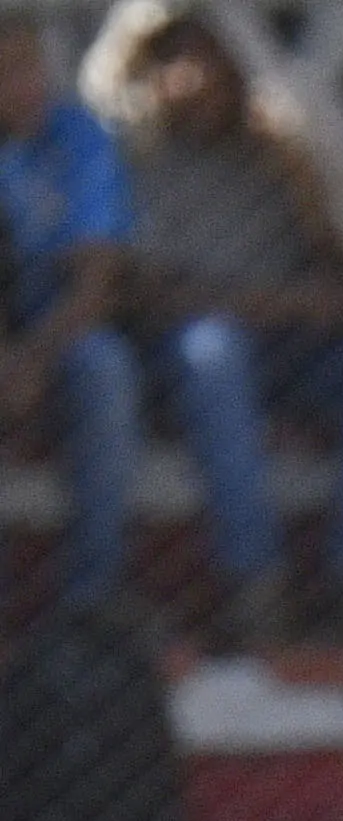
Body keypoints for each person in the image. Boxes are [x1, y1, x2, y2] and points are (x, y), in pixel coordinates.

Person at [96, 2, 343, 643]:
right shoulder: (134, 152)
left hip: (298, 352)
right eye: (173, 62)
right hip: (188, 365)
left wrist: (299, 171)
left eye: (206, 59)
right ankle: (257, 587)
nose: (191, 79)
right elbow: (149, 295)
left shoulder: (286, 139)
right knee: (212, 351)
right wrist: (289, 304)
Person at [0, 22, 140, 616]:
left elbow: (96, 280)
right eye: (5, 71)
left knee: (103, 366)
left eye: (29, 66)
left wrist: (29, 358)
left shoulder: (77, 137)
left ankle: (91, 607)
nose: (22, 85)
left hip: (55, 327)